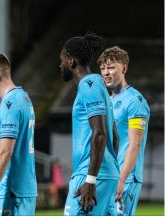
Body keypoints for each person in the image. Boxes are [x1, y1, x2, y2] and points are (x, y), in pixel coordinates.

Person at [59, 32, 120, 215]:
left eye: (62, 60)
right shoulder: (99, 85)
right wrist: (109, 168)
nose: (60, 65)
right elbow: (114, 136)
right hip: (106, 173)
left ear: (71, 61)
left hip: (91, 175)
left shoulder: (89, 85)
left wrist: (91, 179)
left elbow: (100, 133)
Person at [0, 52, 37, 216]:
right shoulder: (24, 98)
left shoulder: (10, 105)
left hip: (11, 191)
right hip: (23, 188)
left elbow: (5, 152)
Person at [98, 46, 150, 216]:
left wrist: (121, 180)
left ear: (124, 68)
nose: (106, 72)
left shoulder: (135, 101)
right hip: (109, 176)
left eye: (111, 67)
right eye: (103, 68)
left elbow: (135, 144)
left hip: (125, 178)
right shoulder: (108, 101)